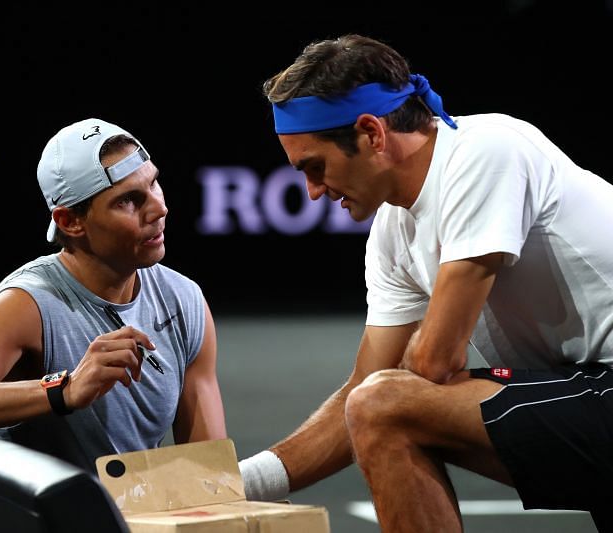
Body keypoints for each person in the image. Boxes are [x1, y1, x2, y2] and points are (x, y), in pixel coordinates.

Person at [237, 34, 613, 531]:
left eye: (315, 167)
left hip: (595, 388)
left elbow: (434, 364)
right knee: (376, 402)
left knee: (385, 405)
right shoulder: (392, 235)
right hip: (580, 393)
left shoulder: (487, 149)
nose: (311, 191)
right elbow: (363, 391)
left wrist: (392, 387)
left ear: (371, 133)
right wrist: (235, 486)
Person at [0, 118, 227, 472]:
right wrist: (62, 390)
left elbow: (209, 474)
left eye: (154, 183)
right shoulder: (28, 304)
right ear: (70, 222)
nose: (159, 208)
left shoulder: (184, 301)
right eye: (129, 200)